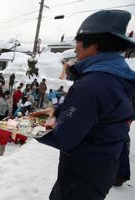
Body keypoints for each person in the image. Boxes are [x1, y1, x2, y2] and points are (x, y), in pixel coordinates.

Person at [31, 10, 135, 200]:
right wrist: (56, 109)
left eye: (79, 40)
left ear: (94, 44)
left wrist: (28, 127)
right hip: (102, 168)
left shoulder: (93, 84)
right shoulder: (117, 75)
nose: (76, 46)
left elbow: (64, 138)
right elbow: (95, 108)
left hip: (80, 176)